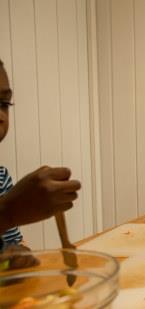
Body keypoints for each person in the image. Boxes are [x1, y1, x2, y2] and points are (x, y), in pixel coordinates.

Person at [0, 59, 82, 251]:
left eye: (4, 103)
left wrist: (15, 257)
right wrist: (7, 211)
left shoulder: (1, 177)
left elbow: (12, 248)